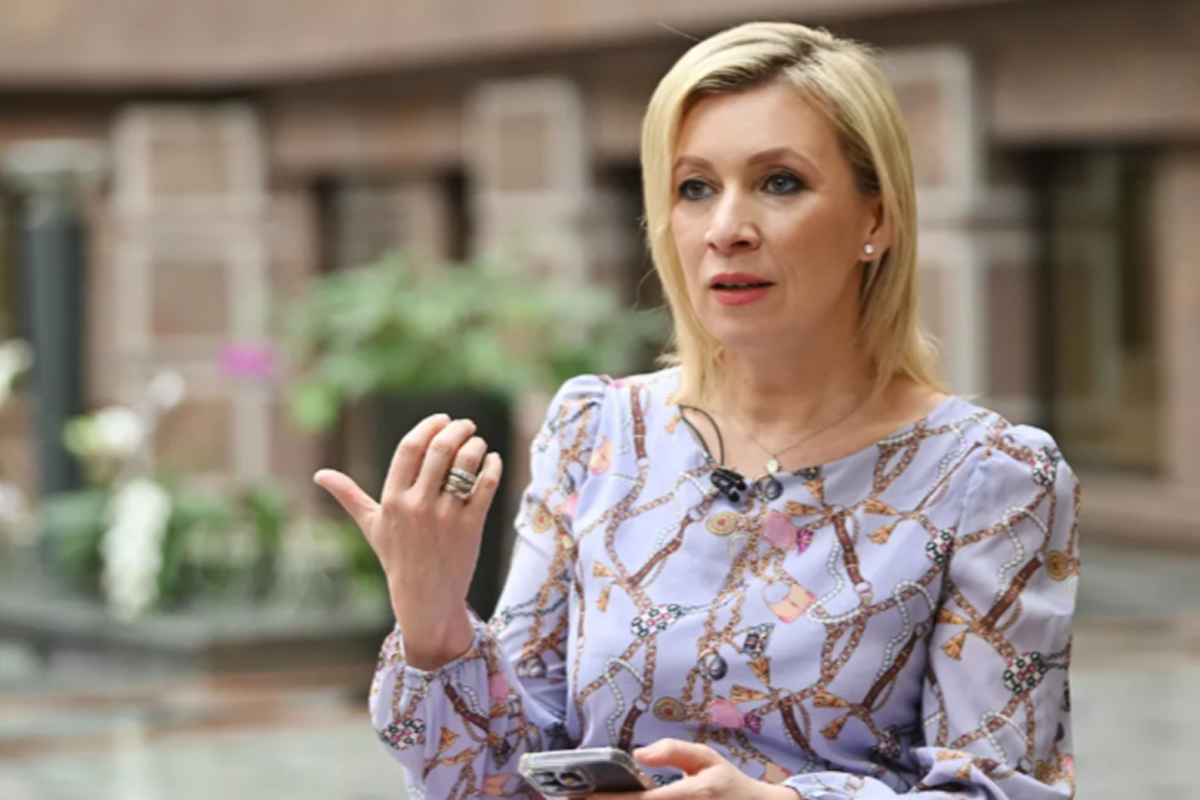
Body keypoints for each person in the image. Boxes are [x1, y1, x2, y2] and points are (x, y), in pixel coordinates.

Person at [315, 21, 1080, 800]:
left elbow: (1003, 788)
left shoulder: (992, 479)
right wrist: (435, 624)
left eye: (780, 182)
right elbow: (493, 783)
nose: (726, 230)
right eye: (694, 188)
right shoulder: (596, 434)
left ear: (875, 220)